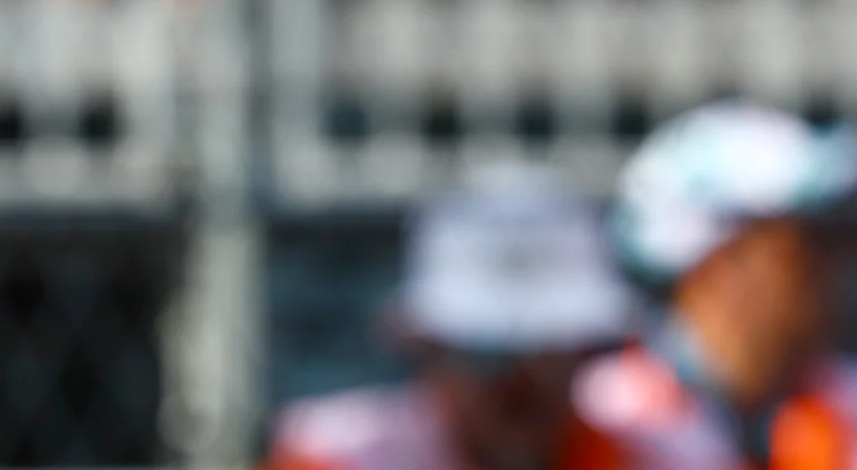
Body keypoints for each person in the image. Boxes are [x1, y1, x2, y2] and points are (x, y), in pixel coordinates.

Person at [581, 101, 857, 470]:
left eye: (839, 239)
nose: (843, 263)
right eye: (813, 242)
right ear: (720, 262)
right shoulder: (605, 425)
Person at [270, 167, 643, 470]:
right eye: (487, 355)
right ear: (430, 352)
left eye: (548, 352)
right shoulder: (338, 457)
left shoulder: (650, 457)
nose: (517, 387)